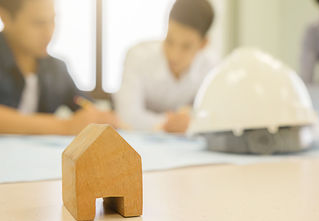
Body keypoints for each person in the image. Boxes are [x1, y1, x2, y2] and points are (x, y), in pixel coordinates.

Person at [0, 0, 120, 135]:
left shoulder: (56, 69)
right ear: (5, 17)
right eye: (38, 23)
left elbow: (84, 105)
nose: (49, 32)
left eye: (52, 20)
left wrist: (99, 117)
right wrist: (64, 126)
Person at [114, 0, 217, 133]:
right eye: (170, 41)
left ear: (203, 44)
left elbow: (214, 116)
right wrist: (171, 124)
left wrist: (190, 121)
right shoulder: (137, 57)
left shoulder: (211, 68)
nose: (174, 55)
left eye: (186, 47)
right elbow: (127, 116)